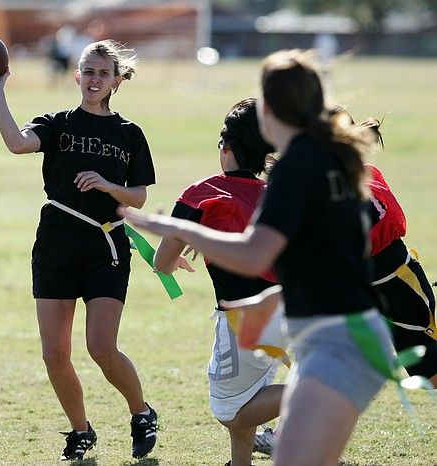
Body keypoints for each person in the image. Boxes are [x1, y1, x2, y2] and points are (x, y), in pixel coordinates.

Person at [120, 49, 395, 466]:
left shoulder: (294, 169)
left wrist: (178, 229)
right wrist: (262, 302)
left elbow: (253, 256)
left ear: (270, 109)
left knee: (231, 410)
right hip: (351, 332)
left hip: (334, 343)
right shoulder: (324, 162)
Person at [0, 39, 158, 461]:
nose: (94, 80)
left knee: (101, 347)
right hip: (55, 244)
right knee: (55, 354)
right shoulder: (58, 124)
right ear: (76, 75)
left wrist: (109, 186)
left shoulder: (129, 134)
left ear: (116, 81)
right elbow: (18, 144)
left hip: (105, 247)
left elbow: (140, 197)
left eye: (103, 74)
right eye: (88, 71)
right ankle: (80, 431)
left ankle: (141, 412)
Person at [152, 98, 287, 466]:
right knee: (251, 391)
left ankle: (318, 393)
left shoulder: (203, 192)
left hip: (247, 317)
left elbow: (163, 262)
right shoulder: (278, 192)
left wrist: (177, 254)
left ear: (226, 147)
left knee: (232, 409)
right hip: (295, 307)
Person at [334, 111, 437, 387]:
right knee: (327, 367)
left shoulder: (363, 183)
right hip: (360, 291)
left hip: (398, 288)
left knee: (428, 371)